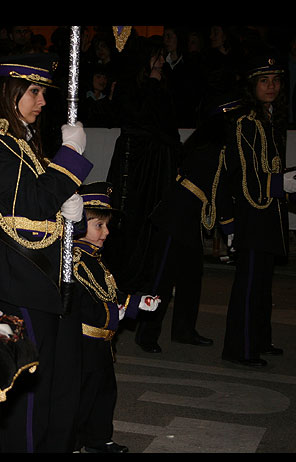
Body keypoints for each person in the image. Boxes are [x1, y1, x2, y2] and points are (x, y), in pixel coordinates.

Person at [0, 53, 93, 453]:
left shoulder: (19, 140)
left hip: (41, 275)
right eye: (34, 91)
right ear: (9, 91)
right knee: (29, 383)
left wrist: (70, 207)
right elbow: (24, 207)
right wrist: (70, 160)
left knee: (51, 377)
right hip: (20, 273)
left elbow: (42, 202)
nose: (43, 101)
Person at [220, 50, 296, 367]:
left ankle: (258, 339)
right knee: (249, 285)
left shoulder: (271, 119)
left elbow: (271, 167)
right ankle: (240, 348)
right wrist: (281, 185)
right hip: (253, 212)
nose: (270, 86)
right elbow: (245, 176)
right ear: (252, 85)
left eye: (275, 81)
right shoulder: (246, 122)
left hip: (268, 212)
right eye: (264, 81)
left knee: (262, 284)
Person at [134, 98, 238, 353]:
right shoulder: (214, 151)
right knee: (162, 278)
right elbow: (221, 191)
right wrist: (231, 227)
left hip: (187, 219)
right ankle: (146, 333)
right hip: (175, 218)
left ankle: (183, 330)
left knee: (191, 277)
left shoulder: (211, 147)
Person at [69, 182, 159, 453]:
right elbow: (80, 302)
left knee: (104, 393)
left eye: (106, 226)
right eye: (99, 225)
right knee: (80, 397)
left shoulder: (93, 257)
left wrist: (136, 303)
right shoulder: (73, 260)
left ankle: (98, 439)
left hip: (103, 342)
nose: (106, 232)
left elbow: (109, 292)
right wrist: (113, 313)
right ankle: (71, 443)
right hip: (82, 343)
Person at [106, 35, 183, 294]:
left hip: (159, 158)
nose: (162, 62)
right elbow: (135, 116)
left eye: (163, 56)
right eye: (156, 57)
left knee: (157, 213)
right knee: (131, 213)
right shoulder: (132, 84)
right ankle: (123, 275)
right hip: (135, 158)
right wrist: (151, 85)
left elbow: (169, 120)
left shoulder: (166, 81)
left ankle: (153, 275)